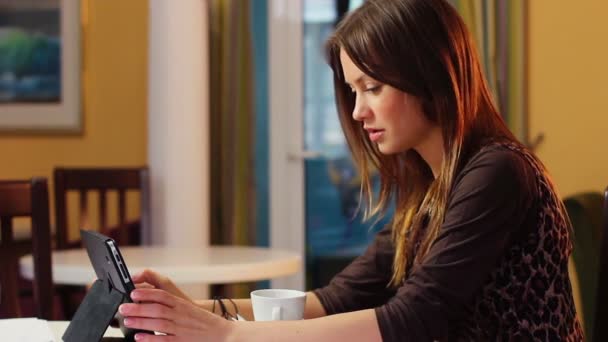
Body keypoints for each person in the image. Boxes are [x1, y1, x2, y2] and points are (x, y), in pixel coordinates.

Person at [118, 0, 583, 340]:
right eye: (353, 91)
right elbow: (335, 300)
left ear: (430, 74)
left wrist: (226, 334)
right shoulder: (430, 192)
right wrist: (189, 309)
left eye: (372, 87)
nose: (358, 112)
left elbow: (413, 318)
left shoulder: (498, 172)